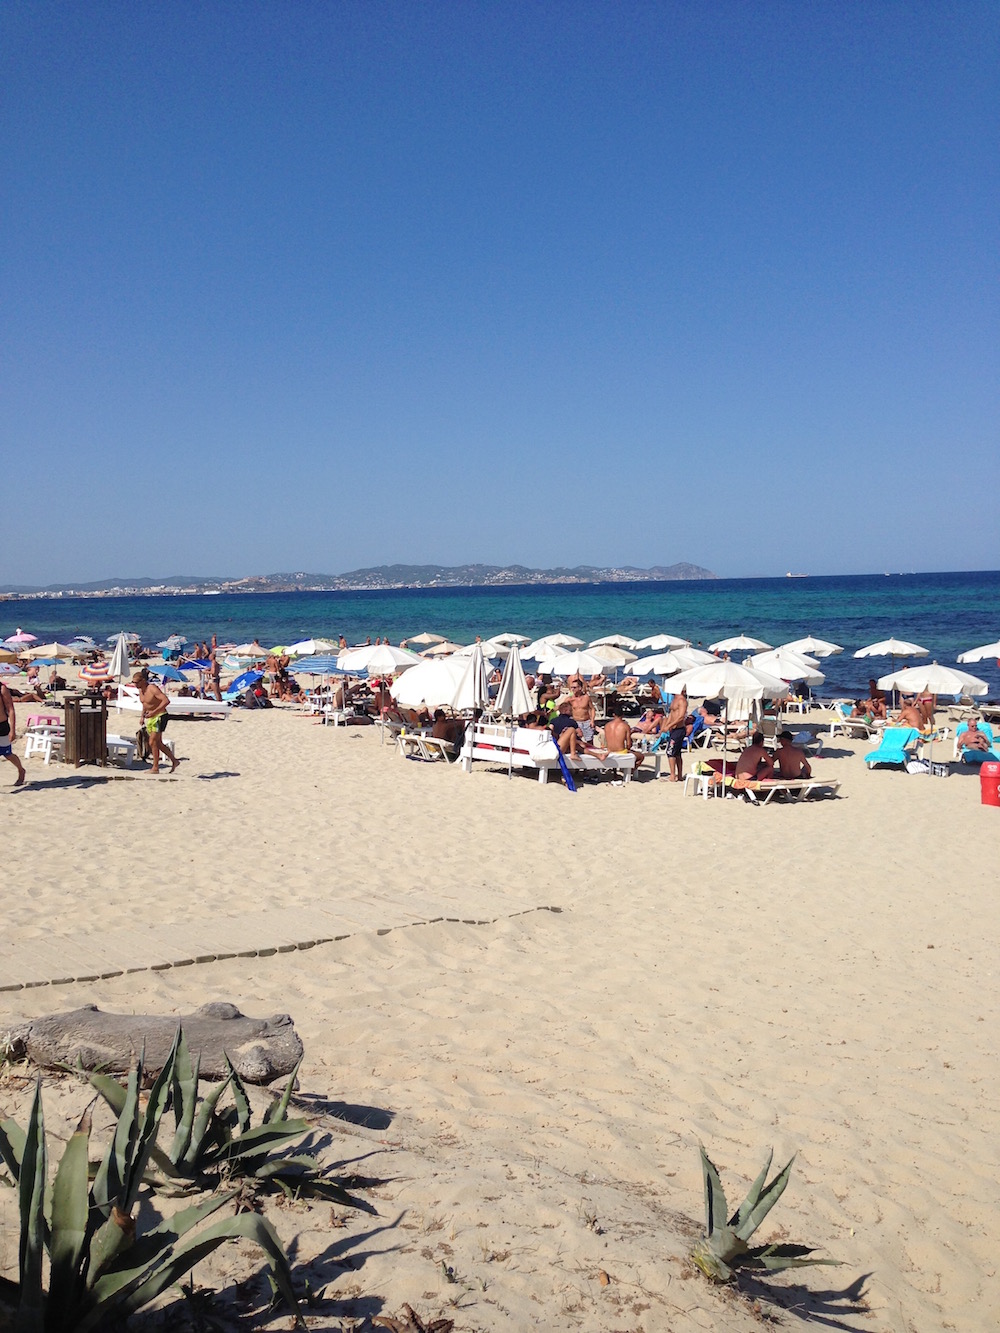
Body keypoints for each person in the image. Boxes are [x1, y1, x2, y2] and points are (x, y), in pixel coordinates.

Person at [132, 669, 178, 774]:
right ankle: (174, 761)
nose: (135, 684)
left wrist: (154, 712)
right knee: (158, 743)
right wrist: (142, 716)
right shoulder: (141, 690)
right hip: (151, 717)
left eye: (137, 682)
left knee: (152, 742)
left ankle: (155, 768)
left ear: (143, 680)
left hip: (160, 716)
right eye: (133, 682)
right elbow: (145, 703)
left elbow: (166, 700)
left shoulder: (152, 688)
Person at [0, 679, 26, 786]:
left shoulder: (2, 689)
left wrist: (13, 730)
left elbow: (10, 709)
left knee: (8, 754)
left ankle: (21, 770)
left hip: (2, 726)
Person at [663, 686, 689, 782]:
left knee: (670, 751)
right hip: (673, 730)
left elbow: (681, 717)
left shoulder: (682, 700)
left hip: (679, 729)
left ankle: (673, 775)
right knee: (677, 753)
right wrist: (666, 725)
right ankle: (680, 775)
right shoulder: (674, 699)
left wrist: (670, 725)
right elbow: (672, 714)